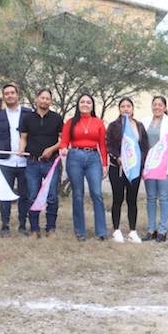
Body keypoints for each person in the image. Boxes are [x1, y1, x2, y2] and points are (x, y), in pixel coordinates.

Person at [59, 94, 108, 241]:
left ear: (92, 105)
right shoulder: (70, 122)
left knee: (97, 193)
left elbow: (103, 146)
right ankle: (80, 231)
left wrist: (104, 164)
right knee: (78, 194)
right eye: (82, 102)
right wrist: (63, 149)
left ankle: (101, 231)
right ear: (78, 104)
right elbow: (64, 142)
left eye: (88, 102)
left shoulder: (98, 123)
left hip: (93, 158)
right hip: (75, 157)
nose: (85, 104)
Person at [19, 89, 63, 238]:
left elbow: (62, 140)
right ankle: (34, 229)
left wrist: (51, 149)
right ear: (37, 99)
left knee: (52, 196)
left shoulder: (57, 118)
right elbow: (23, 137)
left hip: (51, 163)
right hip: (32, 163)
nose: (44, 101)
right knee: (32, 196)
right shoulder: (27, 118)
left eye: (48, 99)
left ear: (51, 101)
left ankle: (50, 228)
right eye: (42, 98)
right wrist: (21, 149)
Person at [0, 83, 32, 237]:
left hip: (24, 163)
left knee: (24, 195)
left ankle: (22, 225)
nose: (9, 96)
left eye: (12, 93)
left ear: (17, 95)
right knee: (4, 195)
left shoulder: (29, 113)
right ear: (3, 97)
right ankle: (5, 225)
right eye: (6, 93)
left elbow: (32, 136)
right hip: (5, 162)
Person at [106, 97, 148, 243]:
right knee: (118, 198)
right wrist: (117, 157)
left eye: (128, 106)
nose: (125, 108)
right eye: (122, 106)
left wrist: (140, 163)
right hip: (117, 168)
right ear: (119, 109)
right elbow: (109, 145)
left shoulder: (139, 126)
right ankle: (116, 230)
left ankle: (132, 231)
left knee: (132, 200)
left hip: (134, 169)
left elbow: (144, 147)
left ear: (132, 108)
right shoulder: (113, 126)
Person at [143, 96, 168, 243]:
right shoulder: (144, 121)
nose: (157, 107)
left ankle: (162, 230)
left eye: (160, 104)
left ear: (164, 107)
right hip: (149, 165)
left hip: (164, 164)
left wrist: (159, 151)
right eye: (155, 104)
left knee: (163, 197)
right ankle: (151, 229)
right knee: (151, 197)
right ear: (152, 106)